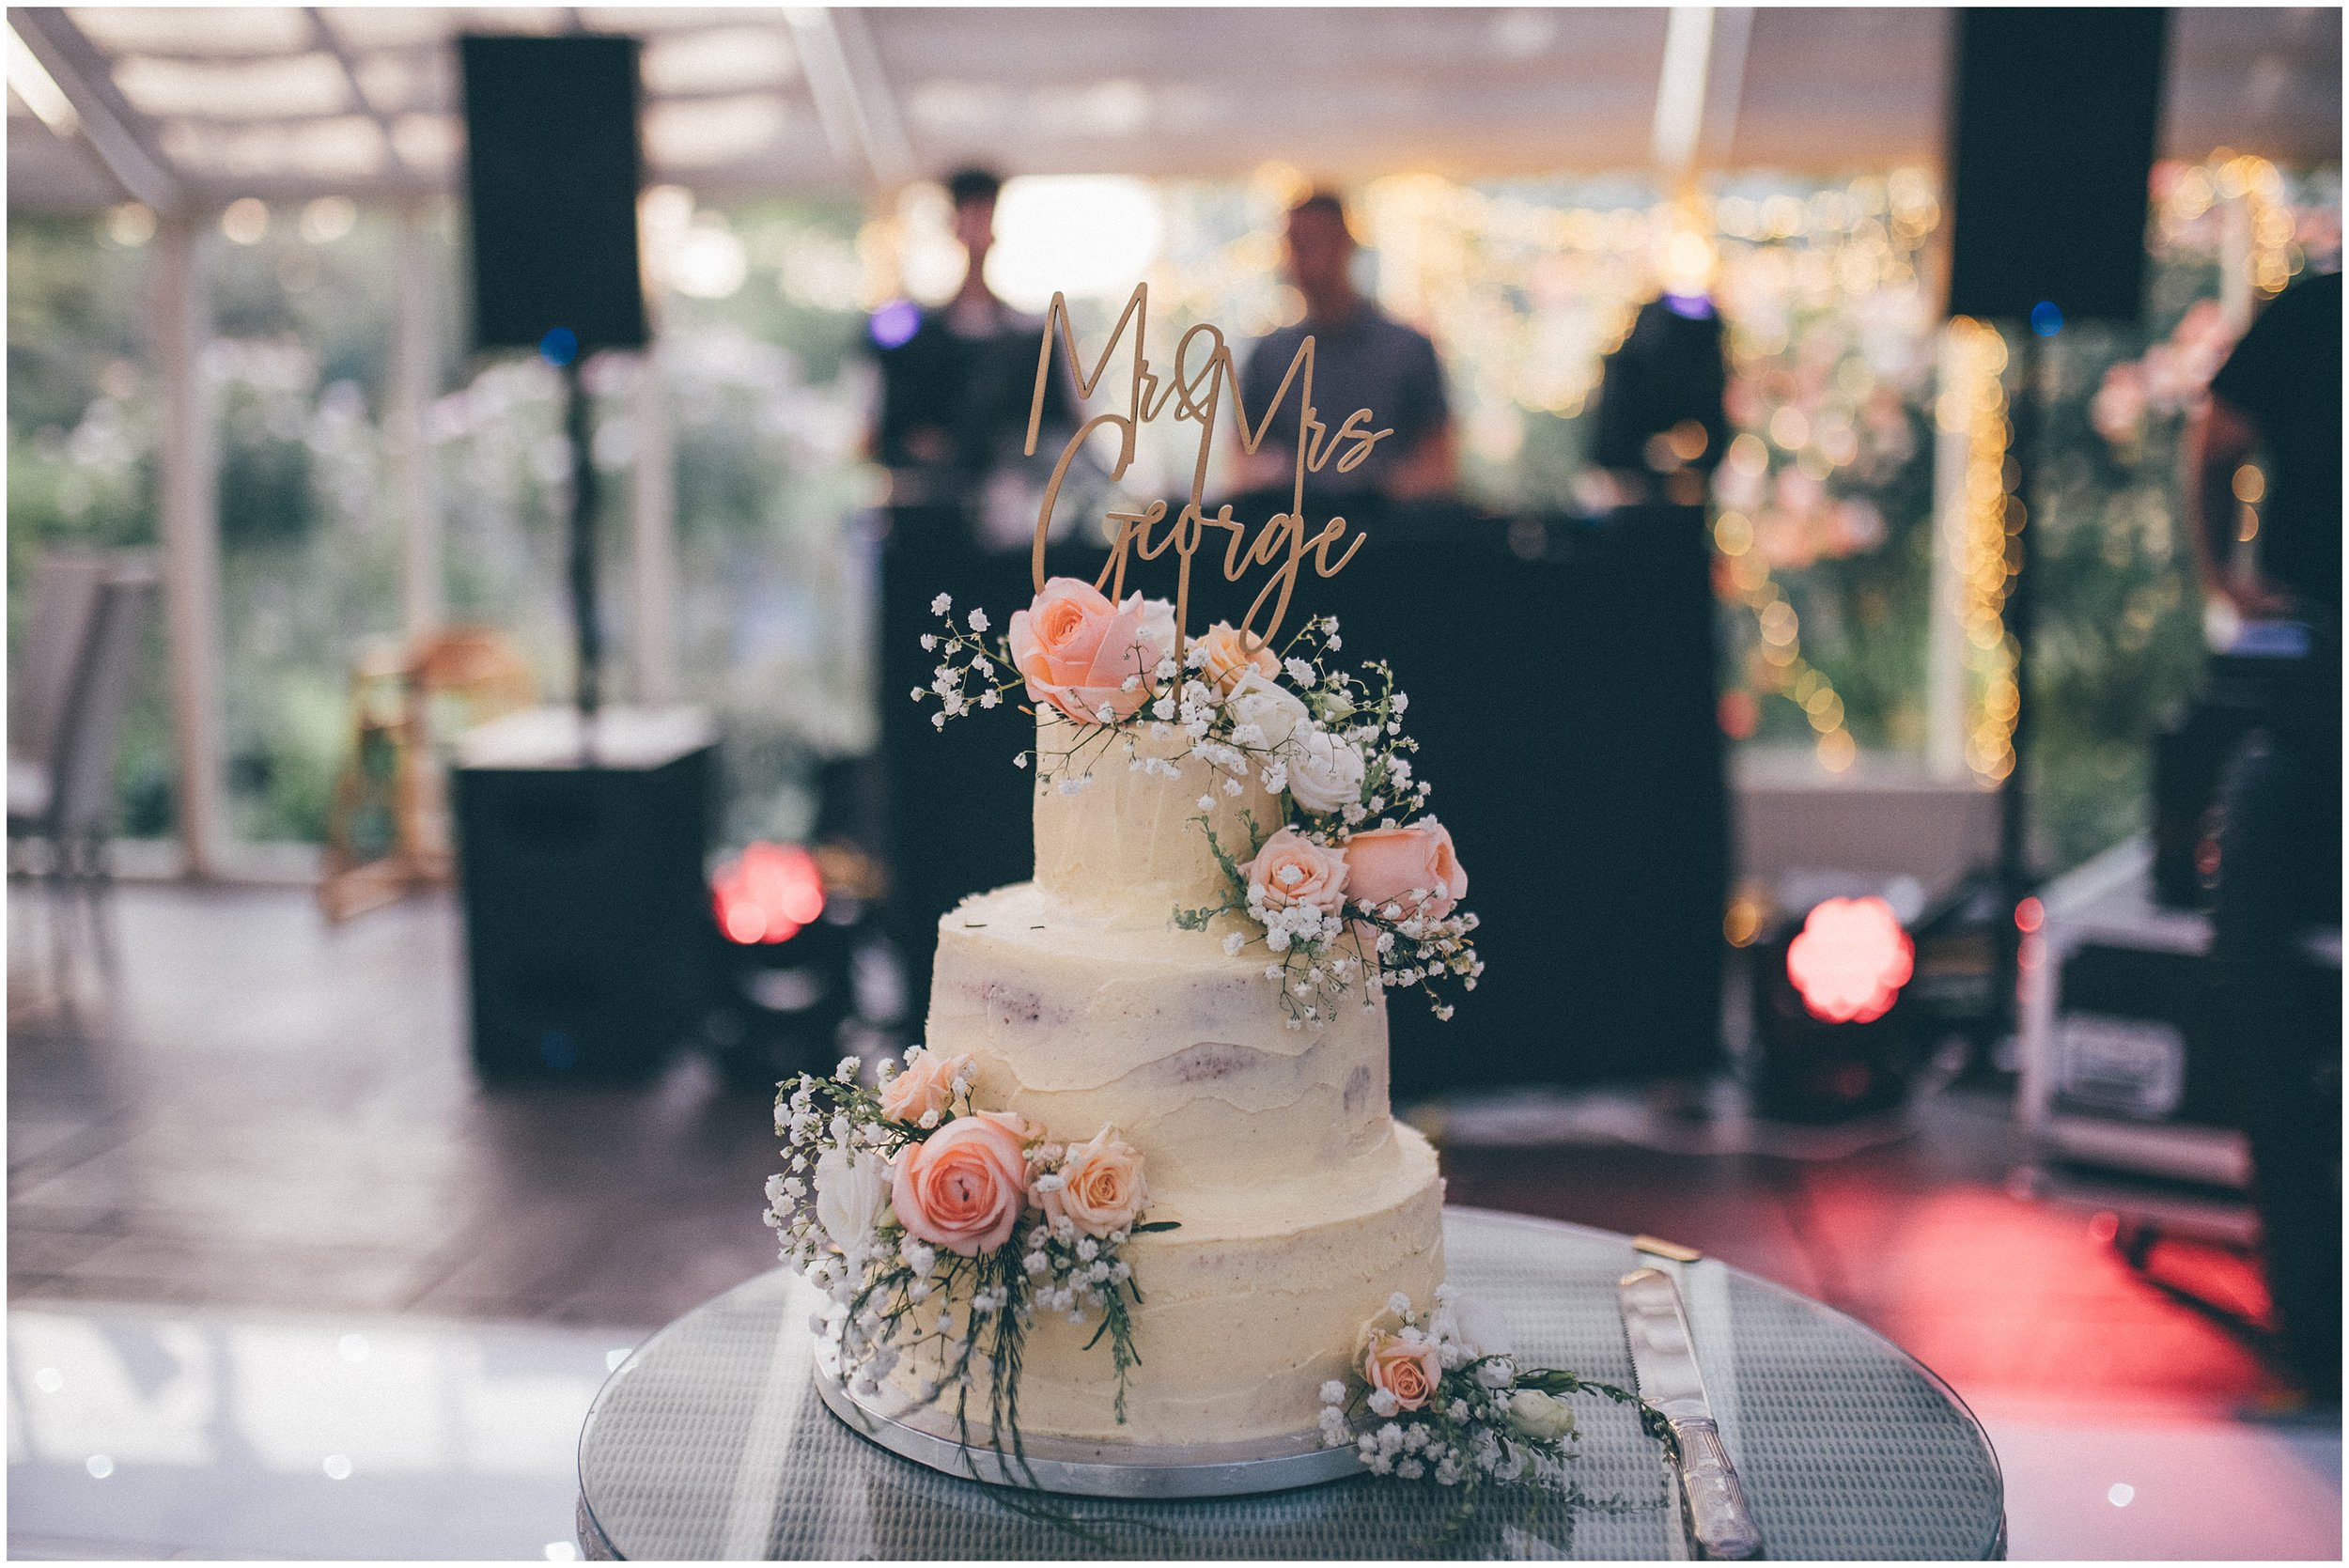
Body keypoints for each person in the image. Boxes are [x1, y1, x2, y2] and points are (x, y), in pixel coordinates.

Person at [2186, 269, 2341, 1405]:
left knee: (2252, 965)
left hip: (2310, 679)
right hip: (2308, 679)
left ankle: (2313, 1320)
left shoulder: (2317, 302)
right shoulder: (2315, 304)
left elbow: (2214, 438)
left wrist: (2224, 574)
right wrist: (2227, 579)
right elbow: (2217, 433)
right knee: (2248, 959)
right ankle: (2313, 1316)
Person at [868, 167, 1077, 551]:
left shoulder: (1032, 339)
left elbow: (1059, 430)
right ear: (954, 226)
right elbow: (888, 436)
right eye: (969, 215)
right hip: (931, 532)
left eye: (985, 215)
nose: (977, 230)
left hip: (1015, 528)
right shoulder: (915, 340)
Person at [1233, 192, 1455, 506]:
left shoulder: (1407, 350)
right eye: (1293, 244)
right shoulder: (1267, 357)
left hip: (1390, 542)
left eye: (1314, 241)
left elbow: (1439, 464)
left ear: (1346, 245)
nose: (1301, 258)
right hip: (1294, 542)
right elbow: (1241, 463)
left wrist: (1381, 488)